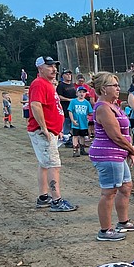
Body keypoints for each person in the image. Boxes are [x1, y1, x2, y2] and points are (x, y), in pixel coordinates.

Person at [89, 71, 134, 241]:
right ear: (104, 89)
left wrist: (127, 150)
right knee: (109, 192)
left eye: (118, 85)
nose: (118, 88)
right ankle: (105, 230)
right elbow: (115, 135)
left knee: (126, 187)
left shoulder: (113, 106)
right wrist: (132, 149)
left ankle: (123, 222)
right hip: (108, 155)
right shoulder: (103, 108)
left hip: (116, 155)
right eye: (114, 85)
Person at [27, 56, 78, 212]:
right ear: (40, 68)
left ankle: (43, 197)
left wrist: (57, 129)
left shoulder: (47, 84)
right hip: (43, 132)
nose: (54, 69)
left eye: (55, 66)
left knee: (44, 164)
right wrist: (44, 127)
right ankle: (57, 200)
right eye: (49, 66)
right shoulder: (39, 84)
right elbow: (35, 105)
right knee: (53, 165)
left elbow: (52, 108)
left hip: (50, 131)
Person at [69, 86, 93, 157]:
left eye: (83, 92)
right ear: (77, 93)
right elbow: (70, 111)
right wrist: (72, 120)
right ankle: (75, 150)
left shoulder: (87, 103)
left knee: (82, 136)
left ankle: (82, 149)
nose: (82, 94)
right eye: (80, 92)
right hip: (76, 122)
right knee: (75, 136)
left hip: (84, 123)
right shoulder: (73, 101)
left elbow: (90, 112)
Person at [56, 69, 77, 147]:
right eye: (67, 74)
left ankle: (72, 139)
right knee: (67, 124)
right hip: (65, 107)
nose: (69, 75)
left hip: (73, 108)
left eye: (70, 74)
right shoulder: (61, 85)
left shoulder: (72, 85)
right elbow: (59, 96)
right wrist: (69, 100)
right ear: (63, 76)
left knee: (73, 124)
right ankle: (66, 141)